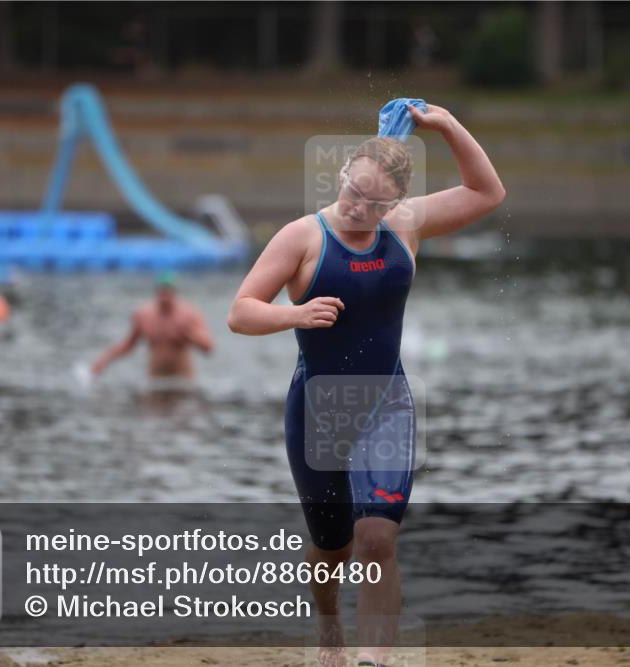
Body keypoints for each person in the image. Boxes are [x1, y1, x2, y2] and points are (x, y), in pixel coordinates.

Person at [228, 103, 505, 667]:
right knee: (333, 547)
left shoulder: (406, 225)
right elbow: (241, 312)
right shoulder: (303, 237)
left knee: (378, 537)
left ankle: (372, 661)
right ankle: (329, 623)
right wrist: (295, 316)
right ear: (341, 177)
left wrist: (448, 127)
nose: (359, 208)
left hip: (386, 406)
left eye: (375, 203)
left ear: (394, 204)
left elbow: (486, 193)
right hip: (317, 411)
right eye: (354, 192)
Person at [92, 272, 213, 380]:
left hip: (182, 382)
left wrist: (189, 334)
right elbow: (128, 344)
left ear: (174, 292)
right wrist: (104, 360)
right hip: (156, 382)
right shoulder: (144, 316)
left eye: (168, 291)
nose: (165, 296)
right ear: (157, 292)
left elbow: (208, 347)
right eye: (162, 291)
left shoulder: (189, 315)